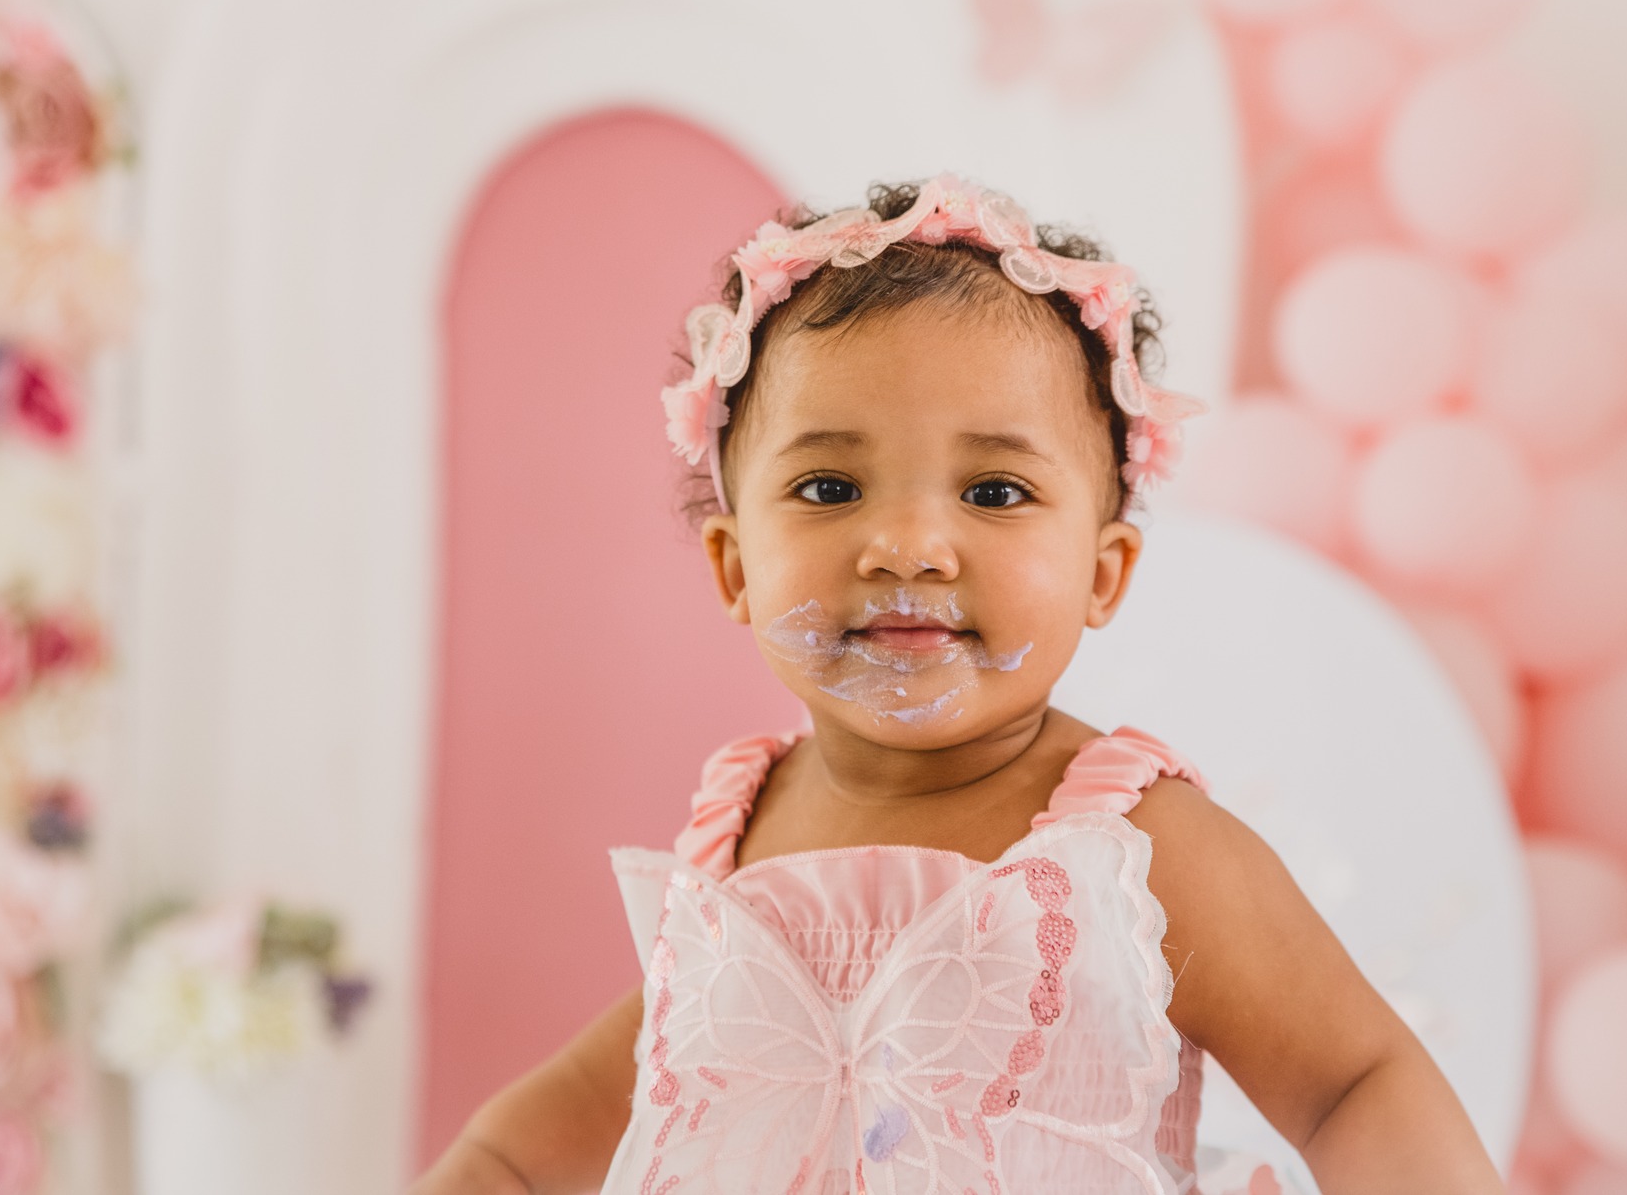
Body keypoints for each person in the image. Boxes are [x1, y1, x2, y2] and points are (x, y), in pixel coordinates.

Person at [410, 175, 1505, 1194]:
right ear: (734, 567)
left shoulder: (1128, 851)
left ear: (1100, 571)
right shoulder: (737, 834)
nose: (908, 544)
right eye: (830, 485)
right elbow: (583, 1106)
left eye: (992, 490)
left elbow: (1351, 1079)